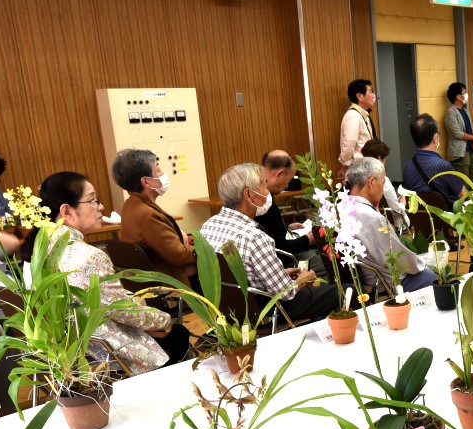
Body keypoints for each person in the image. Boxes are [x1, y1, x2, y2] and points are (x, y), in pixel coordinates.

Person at [37, 171, 189, 373]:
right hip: (112, 356)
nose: (100, 207)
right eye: (92, 200)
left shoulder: (41, 251)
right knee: (179, 333)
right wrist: (163, 320)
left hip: (72, 354)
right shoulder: (89, 256)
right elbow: (123, 311)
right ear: (67, 212)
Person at [200, 163, 342, 323]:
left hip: (229, 310)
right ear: (249, 195)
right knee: (344, 291)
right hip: (269, 311)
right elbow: (287, 293)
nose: (267, 192)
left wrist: (282, 274)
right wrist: (303, 279)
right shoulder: (254, 237)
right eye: (263, 185)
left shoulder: (208, 226)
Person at [344, 158, 436, 295]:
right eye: (381, 184)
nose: (382, 191)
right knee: (435, 277)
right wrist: (423, 264)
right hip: (385, 283)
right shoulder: (372, 218)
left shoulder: (339, 208)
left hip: (361, 279)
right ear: (371, 183)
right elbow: (400, 261)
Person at [111, 148, 197, 287]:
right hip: (173, 288)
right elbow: (179, 256)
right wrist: (205, 248)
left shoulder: (131, 204)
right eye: (157, 170)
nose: (162, 173)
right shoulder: (147, 215)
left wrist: (192, 240)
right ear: (146, 182)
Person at [258, 150, 318, 257]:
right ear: (280, 174)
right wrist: (308, 239)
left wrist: (285, 227)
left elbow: (270, 232)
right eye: (289, 180)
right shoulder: (264, 202)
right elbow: (280, 249)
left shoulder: (260, 192)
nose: (287, 186)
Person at [402, 113, 465, 207]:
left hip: (419, 219)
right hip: (445, 219)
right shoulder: (443, 166)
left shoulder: (408, 166)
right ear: (435, 138)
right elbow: (462, 194)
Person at [360, 139, 408, 231]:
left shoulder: (359, 179)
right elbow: (395, 210)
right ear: (379, 157)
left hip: (368, 224)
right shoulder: (382, 181)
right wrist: (402, 204)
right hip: (392, 226)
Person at [443, 81, 473, 185]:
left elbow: (472, 129)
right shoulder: (450, 112)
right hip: (460, 154)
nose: (466, 95)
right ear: (459, 96)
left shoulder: (466, 111)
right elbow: (457, 133)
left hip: (472, 151)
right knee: (464, 184)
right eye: (465, 92)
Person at [338, 78, 376, 178]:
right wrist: (345, 167)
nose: (373, 96)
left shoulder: (361, 115)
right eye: (370, 92)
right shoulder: (353, 116)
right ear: (360, 96)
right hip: (358, 170)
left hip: (365, 168)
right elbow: (348, 144)